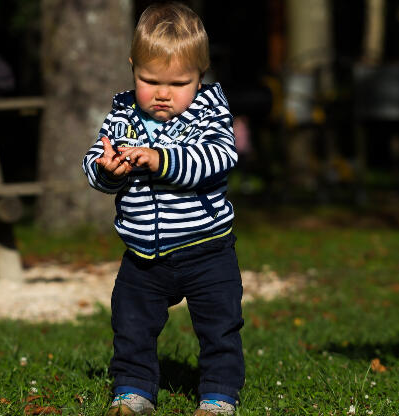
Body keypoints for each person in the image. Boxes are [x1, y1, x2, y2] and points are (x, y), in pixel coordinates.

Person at [82, 3, 244, 415]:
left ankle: (218, 395)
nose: (162, 93)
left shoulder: (209, 110)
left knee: (219, 326)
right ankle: (133, 390)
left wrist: (160, 158)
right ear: (133, 67)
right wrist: (107, 169)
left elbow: (216, 159)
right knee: (131, 323)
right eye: (148, 80)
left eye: (178, 83)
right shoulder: (123, 112)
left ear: (201, 74)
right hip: (143, 254)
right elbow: (94, 161)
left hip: (206, 248)